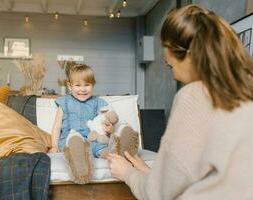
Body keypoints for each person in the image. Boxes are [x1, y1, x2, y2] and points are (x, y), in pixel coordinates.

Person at [107, 4, 253, 200]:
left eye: (170, 64)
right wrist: (149, 172)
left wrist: (127, 173)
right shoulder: (245, 94)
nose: (172, 72)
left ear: (190, 54)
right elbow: (210, 181)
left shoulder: (195, 96)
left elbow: (157, 195)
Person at [51, 64, 139, 184]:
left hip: (92, 138)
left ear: (93, 85)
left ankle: (118, 154)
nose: (82, 89)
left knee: (100, 147)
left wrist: (110, 129)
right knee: (74, 144)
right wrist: (54, 146)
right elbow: (56, 127)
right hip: (70, 138)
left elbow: (106, 120)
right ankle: (79, 160)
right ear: (69, 86)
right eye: (78, 85)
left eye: (87, 85)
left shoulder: (98, 102)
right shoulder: (64, 102)